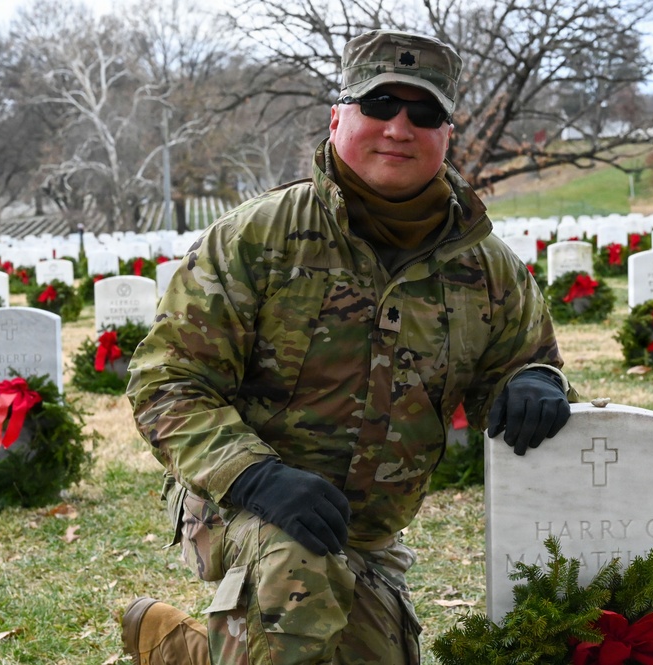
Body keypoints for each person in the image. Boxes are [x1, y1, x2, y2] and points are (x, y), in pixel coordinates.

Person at [123, 28, 576, 665]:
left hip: (365, 532)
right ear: (338, 117)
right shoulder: (258, 237)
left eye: (424, 113)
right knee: (297, 575)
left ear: (447, 135)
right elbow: (167, 383)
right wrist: (259, 477)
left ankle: (180, 648)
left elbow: (527, 363)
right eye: (379, 105)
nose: (399, 127)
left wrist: (534, 382)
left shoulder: (486, 266)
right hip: (240, 500)